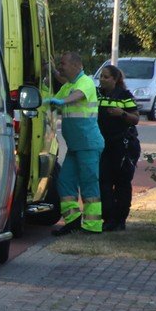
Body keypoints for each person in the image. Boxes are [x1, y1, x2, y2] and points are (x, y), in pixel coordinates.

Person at [45, 51, 105, 235]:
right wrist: (52, 75)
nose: (61, 66)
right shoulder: (70, 85)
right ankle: (73, 221)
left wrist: (60, 101)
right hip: (76, 146)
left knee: (88, 184)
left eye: (63, 63)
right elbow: (61, 93)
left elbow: (76, 96)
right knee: (64, 182)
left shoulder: (85, 82)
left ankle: (93, 226)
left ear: (76, 65)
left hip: (88, 144)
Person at [97, 64, 141, 231]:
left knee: (122, 183)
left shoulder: (124, 96)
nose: (102, 79)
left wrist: (121, 114)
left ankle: (120, 220)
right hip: (104, 144)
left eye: (106, 77)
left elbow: (135, 118)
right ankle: (108, 219)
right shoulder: (97, 94)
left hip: (122, 145)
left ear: (115, 80)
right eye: (101, 76)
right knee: (104, 181)